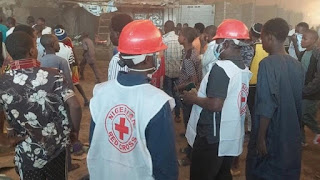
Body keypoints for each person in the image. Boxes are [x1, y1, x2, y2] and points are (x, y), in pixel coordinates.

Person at [87, 20, 178, 180]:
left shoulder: (100, 92)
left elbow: (95, 141)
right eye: (157, 54)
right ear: (146, 59)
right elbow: (164, 161)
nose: (159, 57)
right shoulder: (157, 102)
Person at [1, 31, 82, 179]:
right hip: (56, 149)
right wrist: (74, 133)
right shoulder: (54, 74)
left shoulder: (3, 82)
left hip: (27, 152)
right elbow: (75, 106)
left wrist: (4, 138)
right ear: (32, 51)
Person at [182, 19, 252, 180]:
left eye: (218, 42)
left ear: (226, 44)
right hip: (229, 135)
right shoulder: (242, 68)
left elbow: (215, 104)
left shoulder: (222, 68)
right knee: (222, 174)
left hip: (212, 137)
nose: (215, 46)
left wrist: (192, 98)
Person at [246, 18, 304, 180]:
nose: (261, 42)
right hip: (291, 131)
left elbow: (266, 104)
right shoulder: (297, 65)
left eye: (262, 37)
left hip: (272, 130)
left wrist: (261, 137)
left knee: (264, 170)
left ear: (270, 37)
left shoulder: (267, 64)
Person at [176, 27, 202, 166]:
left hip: (188, 94)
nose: (178, 37)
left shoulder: (188, 57)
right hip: (190, 93)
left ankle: (190, 156)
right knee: (190, 124)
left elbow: (193, 79)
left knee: (190, 125)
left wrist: (178, 87)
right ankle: (189, 149)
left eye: (179, 35)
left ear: (184, 38)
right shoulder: (192, 51)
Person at [54, 28, 90, 106]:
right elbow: (72, 59)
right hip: (71, 69)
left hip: (59, 71)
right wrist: (76, 66)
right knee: (76, 84)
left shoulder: (53, 48)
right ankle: (85, 99)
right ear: (64, 38)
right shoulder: (68, 47)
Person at [300, 29, 320, 145]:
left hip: (312, 93)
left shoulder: (317, 55)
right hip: (302, 90)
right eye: (302, 38)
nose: (302, 41)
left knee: (304, 115)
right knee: (299, 116)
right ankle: (301, 140)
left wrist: (307, 90)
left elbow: (318, 78)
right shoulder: (303, 53)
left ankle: (318, 131)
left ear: (313, 40)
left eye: (305, 38)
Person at [163, 20, 183, 122]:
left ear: (166, 28)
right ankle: (178, 115)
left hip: (167, 72)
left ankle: (169, 114)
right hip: (178, 72)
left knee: (168, 93)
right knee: (177, 93)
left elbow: (160, 57)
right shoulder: (179, 39)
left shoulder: (164, 40)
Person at [107, 13, 133, 80]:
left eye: (111, 32)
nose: (110, 35)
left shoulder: (118, 60)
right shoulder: (139, 54)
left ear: (118, 34)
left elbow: (114, 89)